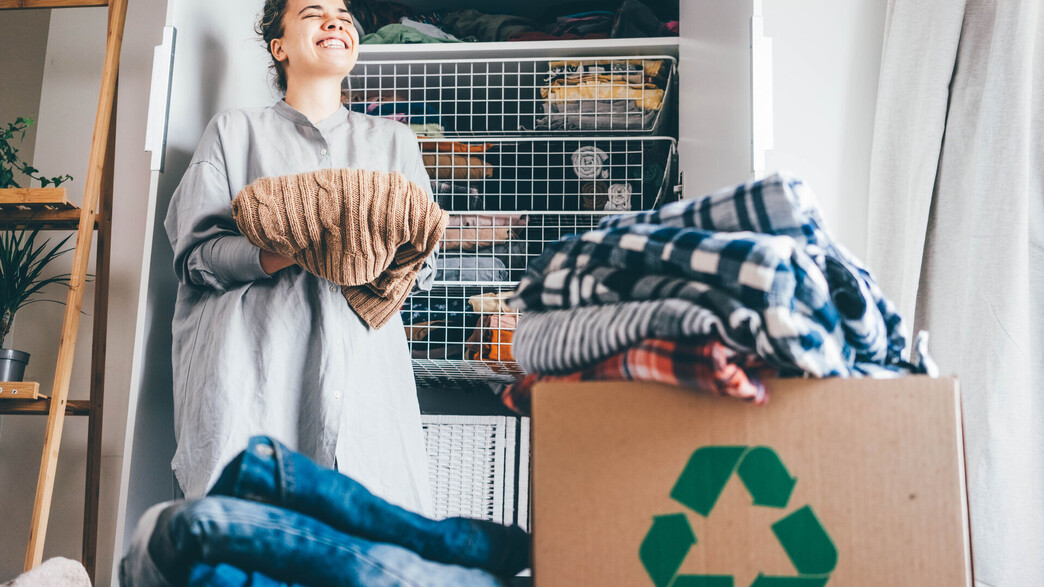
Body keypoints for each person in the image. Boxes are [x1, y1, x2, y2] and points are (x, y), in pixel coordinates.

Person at [163, 0, 435, 515]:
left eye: (343, 15)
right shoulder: (234, 133)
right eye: (313, 12)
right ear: (279, 46)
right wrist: (298, 245)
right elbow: (196, 259)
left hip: (366, 395)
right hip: (255, 380)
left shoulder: (395, 143)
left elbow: (422, 264)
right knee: (248, 539)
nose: (336, 22)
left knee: (362, 543)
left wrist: (359, 249)